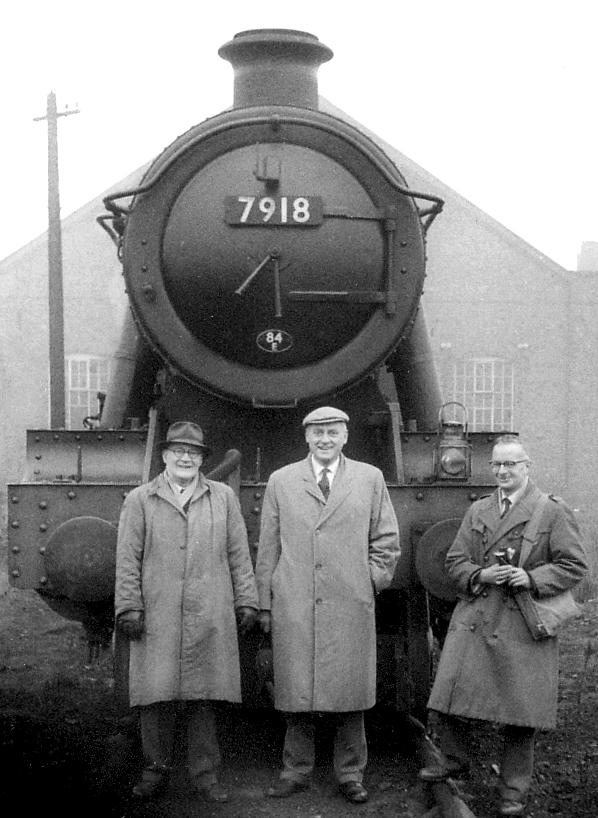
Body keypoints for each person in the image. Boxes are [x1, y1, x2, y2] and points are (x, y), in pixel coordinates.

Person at [420, 434, 588, 817]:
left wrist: (531, 578)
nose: (502, 471)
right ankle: (454, 760)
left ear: (527, 466)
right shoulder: (479, 509)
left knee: (521, 715)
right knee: (450, 691)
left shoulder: (551, 511)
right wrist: (482, 573)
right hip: (478, 612)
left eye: (510, 464)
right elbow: (455, 561)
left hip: (524, 619)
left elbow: (575, 566)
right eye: (496, 464)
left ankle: (513, 792)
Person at [255, 406, 400, 804]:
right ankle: (295, 770)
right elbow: (267, 548)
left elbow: (387, 539)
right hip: (295, 602)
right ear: (306, 437)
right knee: (295, 691)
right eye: (317, 433)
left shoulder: (369, 479)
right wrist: (266, 603)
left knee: (351, 694)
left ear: (345, 436)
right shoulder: (282, 481)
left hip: (349, 602)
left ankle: (350, 773)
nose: (324, 439)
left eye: (332, 432)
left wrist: (368, 581)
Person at [115, 421, 258, 802]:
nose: (185, 458)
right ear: (164, 456)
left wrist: (247, 599)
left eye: (193, 453)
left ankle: (205, 775)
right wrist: (129, 606)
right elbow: (127, 559)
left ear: (201, 459)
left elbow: (238, 554)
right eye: (178, 451)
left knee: (204, 695)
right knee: (154, 695)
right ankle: (154, 770)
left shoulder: (223, 497)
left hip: (208, 608)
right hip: (157, 610)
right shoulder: (141, 499)